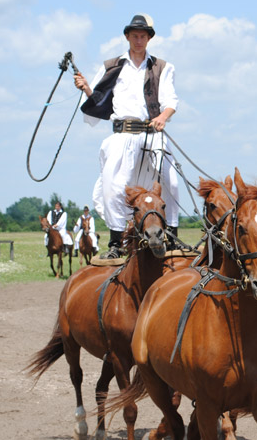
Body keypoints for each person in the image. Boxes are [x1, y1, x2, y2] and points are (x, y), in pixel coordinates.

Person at [73, 14, 181, 259]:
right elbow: (100, 100)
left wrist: (163, 116)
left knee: (171, 181)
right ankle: (116, 241)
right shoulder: (112, 65)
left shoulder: (162, 67)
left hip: (152, 134)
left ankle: (172, 234)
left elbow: (171, 101)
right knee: (113, 186)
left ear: (149, 38)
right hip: (122, 135)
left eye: (143, 36)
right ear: (127, 37)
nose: (139, 40)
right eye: (135, 35)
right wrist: (86, 88)